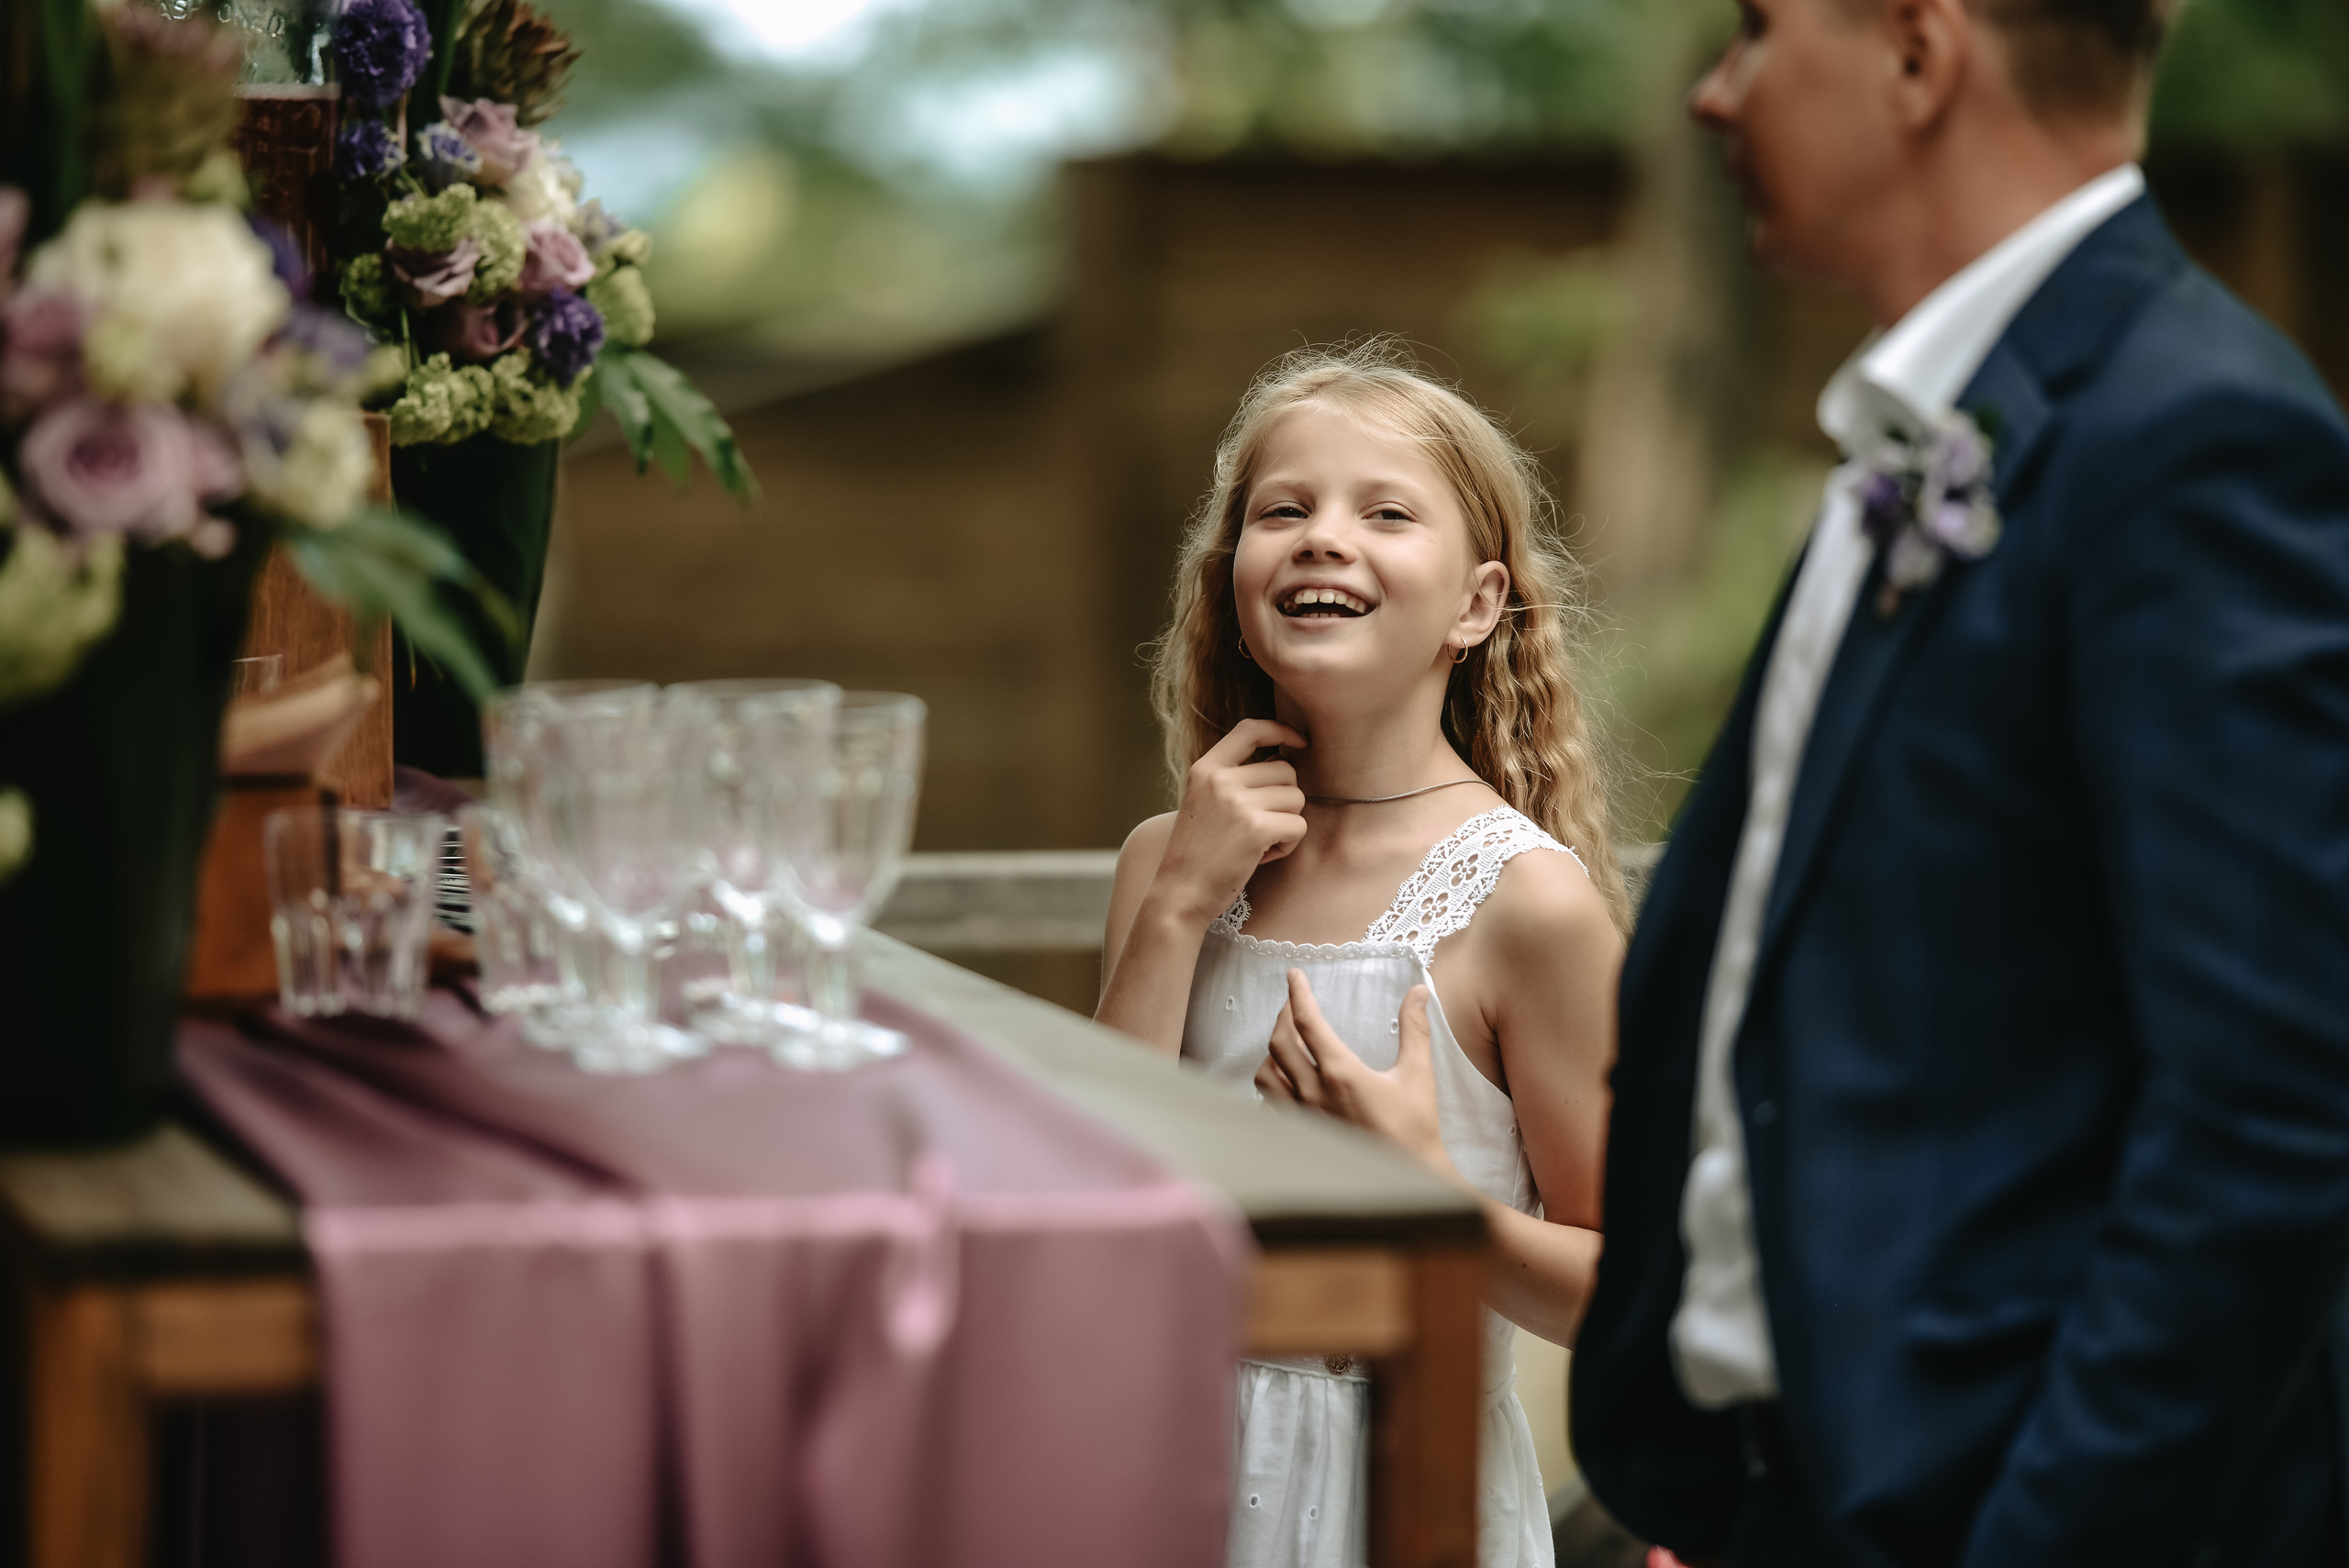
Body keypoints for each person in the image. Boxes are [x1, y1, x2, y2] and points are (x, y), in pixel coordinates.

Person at [1570, 0, 2349, 1564]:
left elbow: (2272, 1105)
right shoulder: (1922, 441)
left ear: (1921, 57)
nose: (1719, 95)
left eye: (1754, 30)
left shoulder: (2194, 435)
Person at [1096, 345, 1626, 1567]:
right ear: (1235, 577)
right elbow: (1100, 1211)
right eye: (1285, 510)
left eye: (1385, 512)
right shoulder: (1162, 865)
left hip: (1400, 1483)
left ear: (1477, 605)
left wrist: (1434, 1195)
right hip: (1160, 1467)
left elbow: (1624, 1295)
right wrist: (1179, 906)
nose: (1324, 536)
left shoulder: (1525, 907)